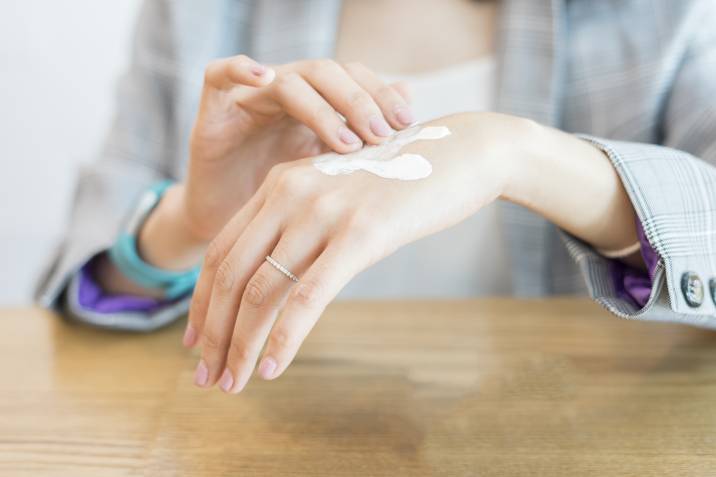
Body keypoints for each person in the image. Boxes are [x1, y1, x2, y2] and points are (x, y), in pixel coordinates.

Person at [37, 0, 716, 394]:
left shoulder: (666, 17)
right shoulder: (199, 16)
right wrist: (193, 218)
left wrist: (515, 153)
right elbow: (79, 281)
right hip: (266, 441)